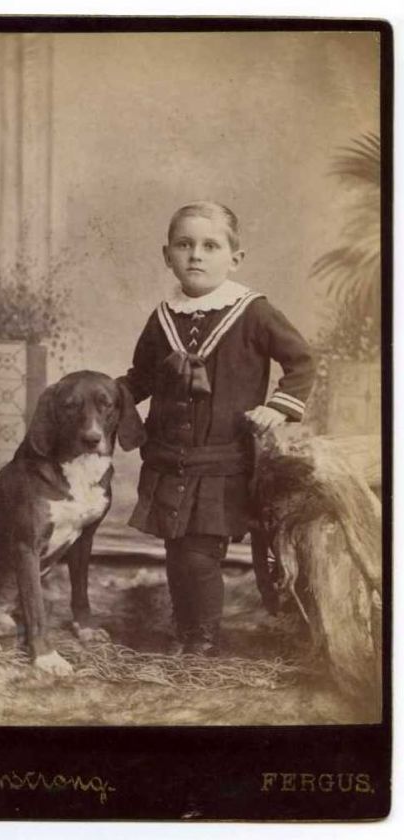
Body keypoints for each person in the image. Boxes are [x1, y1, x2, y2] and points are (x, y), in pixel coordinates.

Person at [119, 201, 316, 655]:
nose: (196, 255)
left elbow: (301, 361)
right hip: (169, 459)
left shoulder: (252, 311)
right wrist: (102, 395)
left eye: (211, 245)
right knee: (175, 551)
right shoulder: (163, 316)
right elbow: (142, 377)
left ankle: (201, 640)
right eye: (184, 245)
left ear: (235, 258)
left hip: (221, 463)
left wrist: (279, 407)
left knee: (200, 555)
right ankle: (185, 630)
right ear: (166, 254)